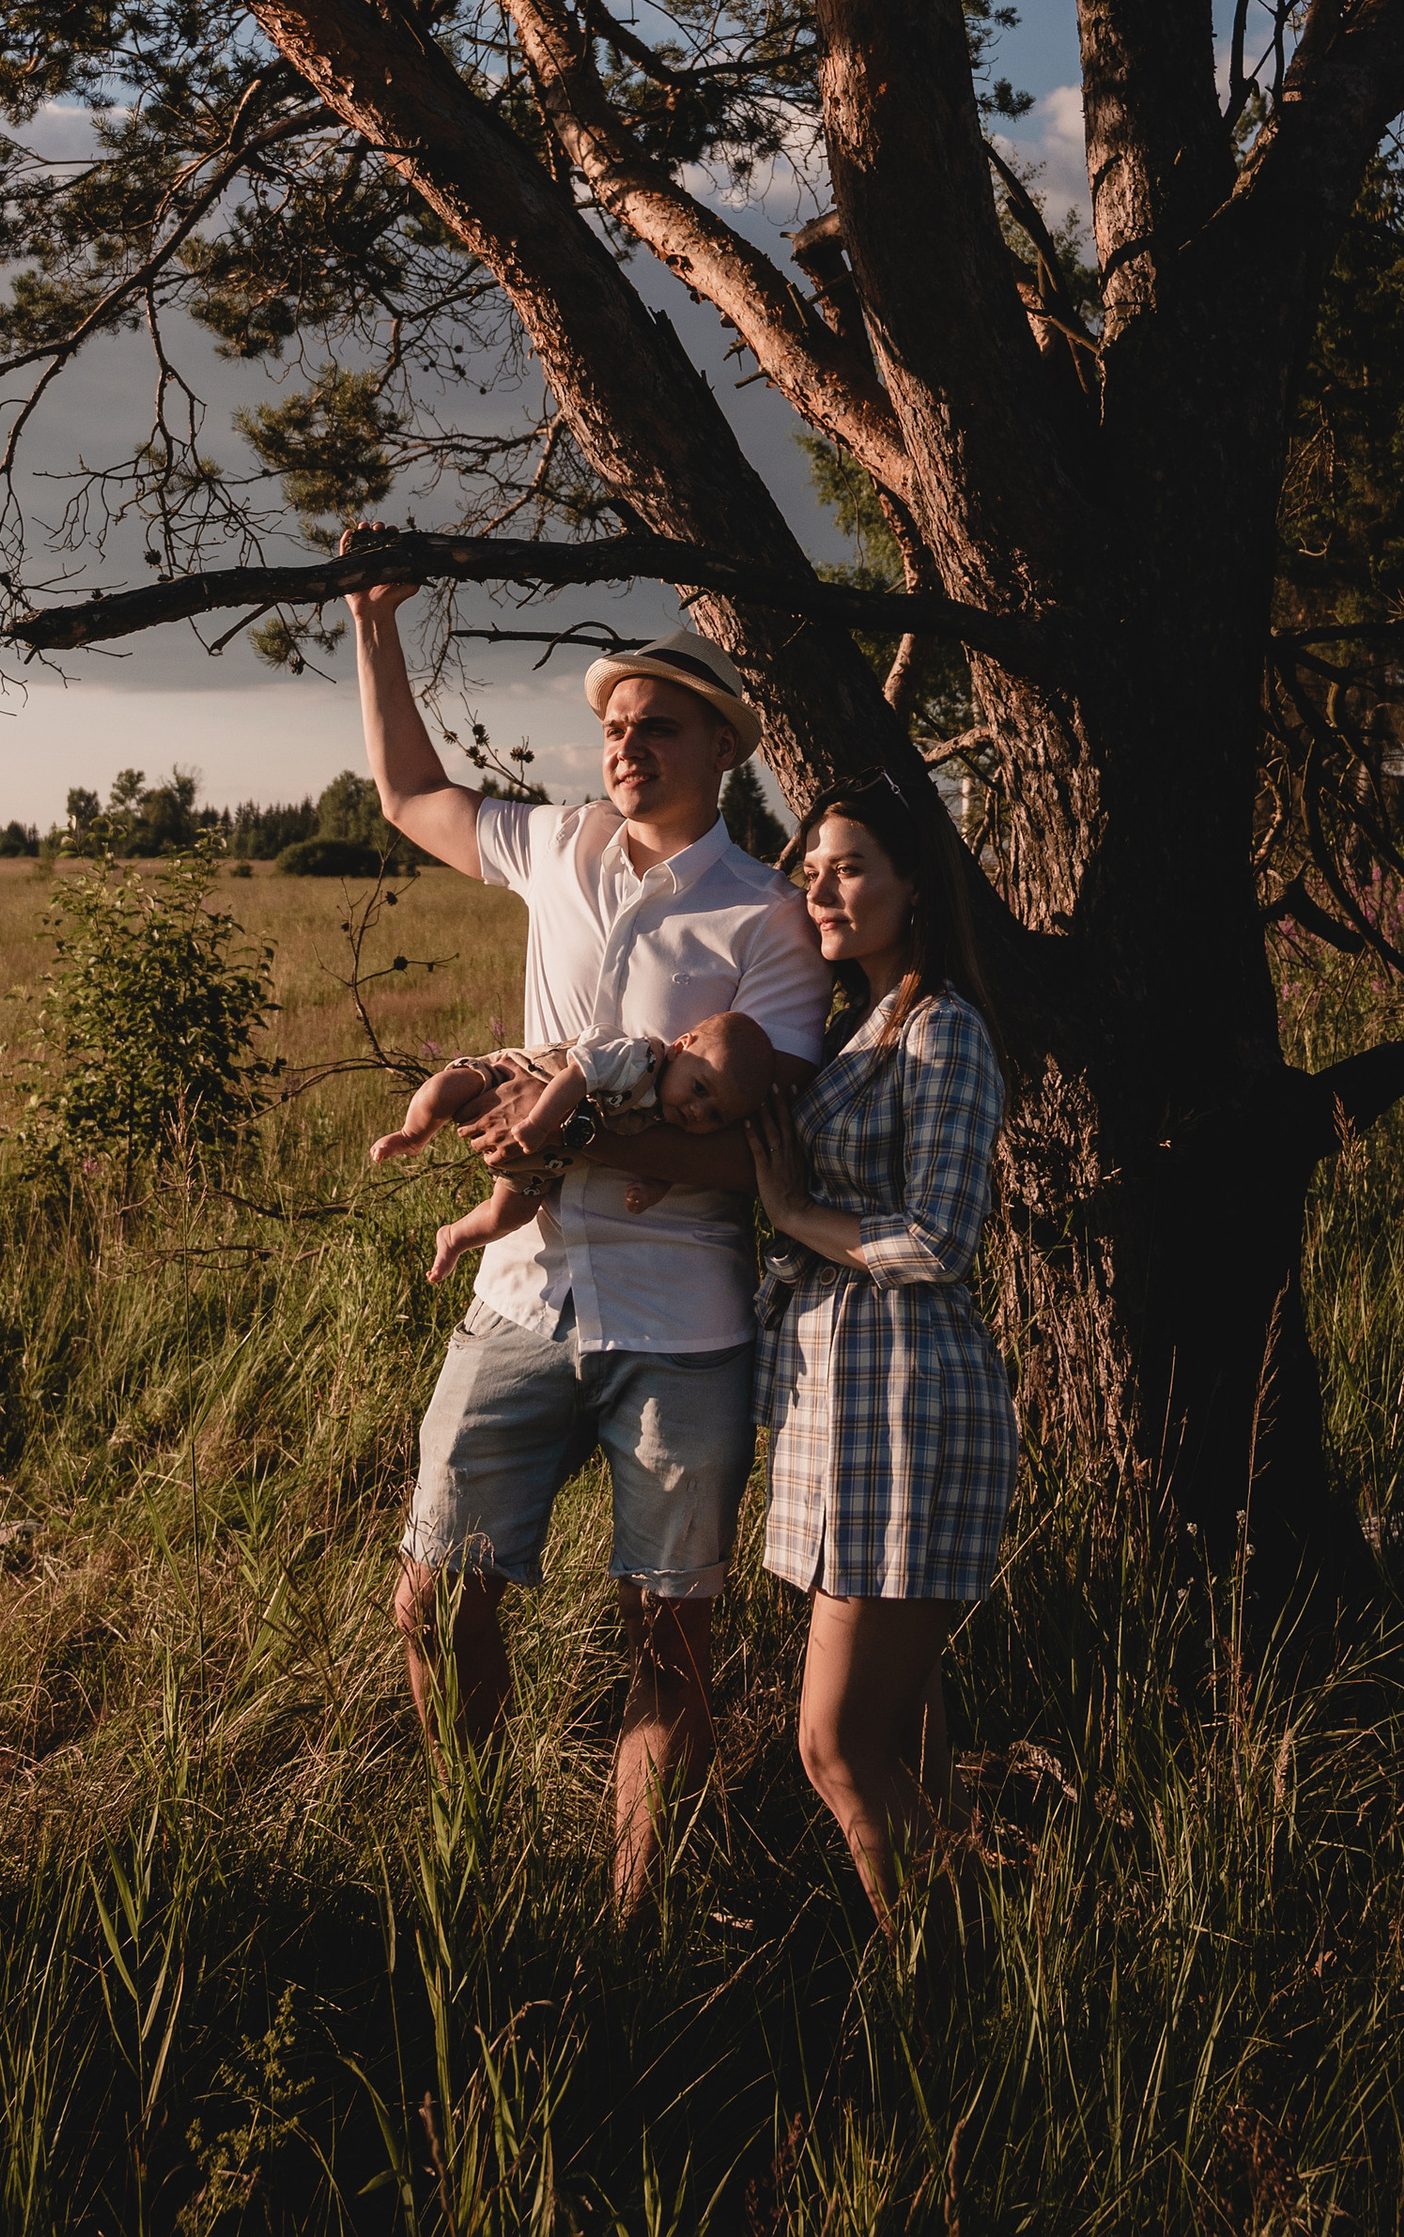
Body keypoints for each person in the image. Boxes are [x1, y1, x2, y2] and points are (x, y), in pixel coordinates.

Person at [346, 562, 826, 1903]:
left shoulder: (769, 917)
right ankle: (473, 1872)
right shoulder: (554, 844)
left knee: (667, 1640)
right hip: (521, 1294)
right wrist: (375, 626)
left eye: (658, 721)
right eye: (616, 722)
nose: (627, 740)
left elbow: (754, 1147)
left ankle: (636, 1922)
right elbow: (408, 798)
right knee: (434, 1596)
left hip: (683, 1326)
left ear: (723, 746)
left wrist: (574, 1135)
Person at [746, 775, 1018, 1922]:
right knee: (907, 1750)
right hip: (838, 1407)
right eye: (809, 866)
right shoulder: (849, 1023)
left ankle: (966, 1969)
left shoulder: (942, 1027)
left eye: (849, 865)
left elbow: (937, 1237)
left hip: (907, 1402)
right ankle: (987, 1976)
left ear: (914, 885)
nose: (821, 884)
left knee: (836, 1746)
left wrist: (792, 1213)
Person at [372, 1009, 780, 1286]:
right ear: (680, 1046)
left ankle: (454, 1238)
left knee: (510, 1214)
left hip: (538, 1163)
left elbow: (669, 1161)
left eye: (715, 1116)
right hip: (509, 1082)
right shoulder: (637, 1061)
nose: (696, 1111)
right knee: (445, 1091)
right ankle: (413, 1135)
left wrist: (652, 1189)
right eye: (699, 1088)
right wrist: (538, 1122)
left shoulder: (669, 1117)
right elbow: (576, 1076)